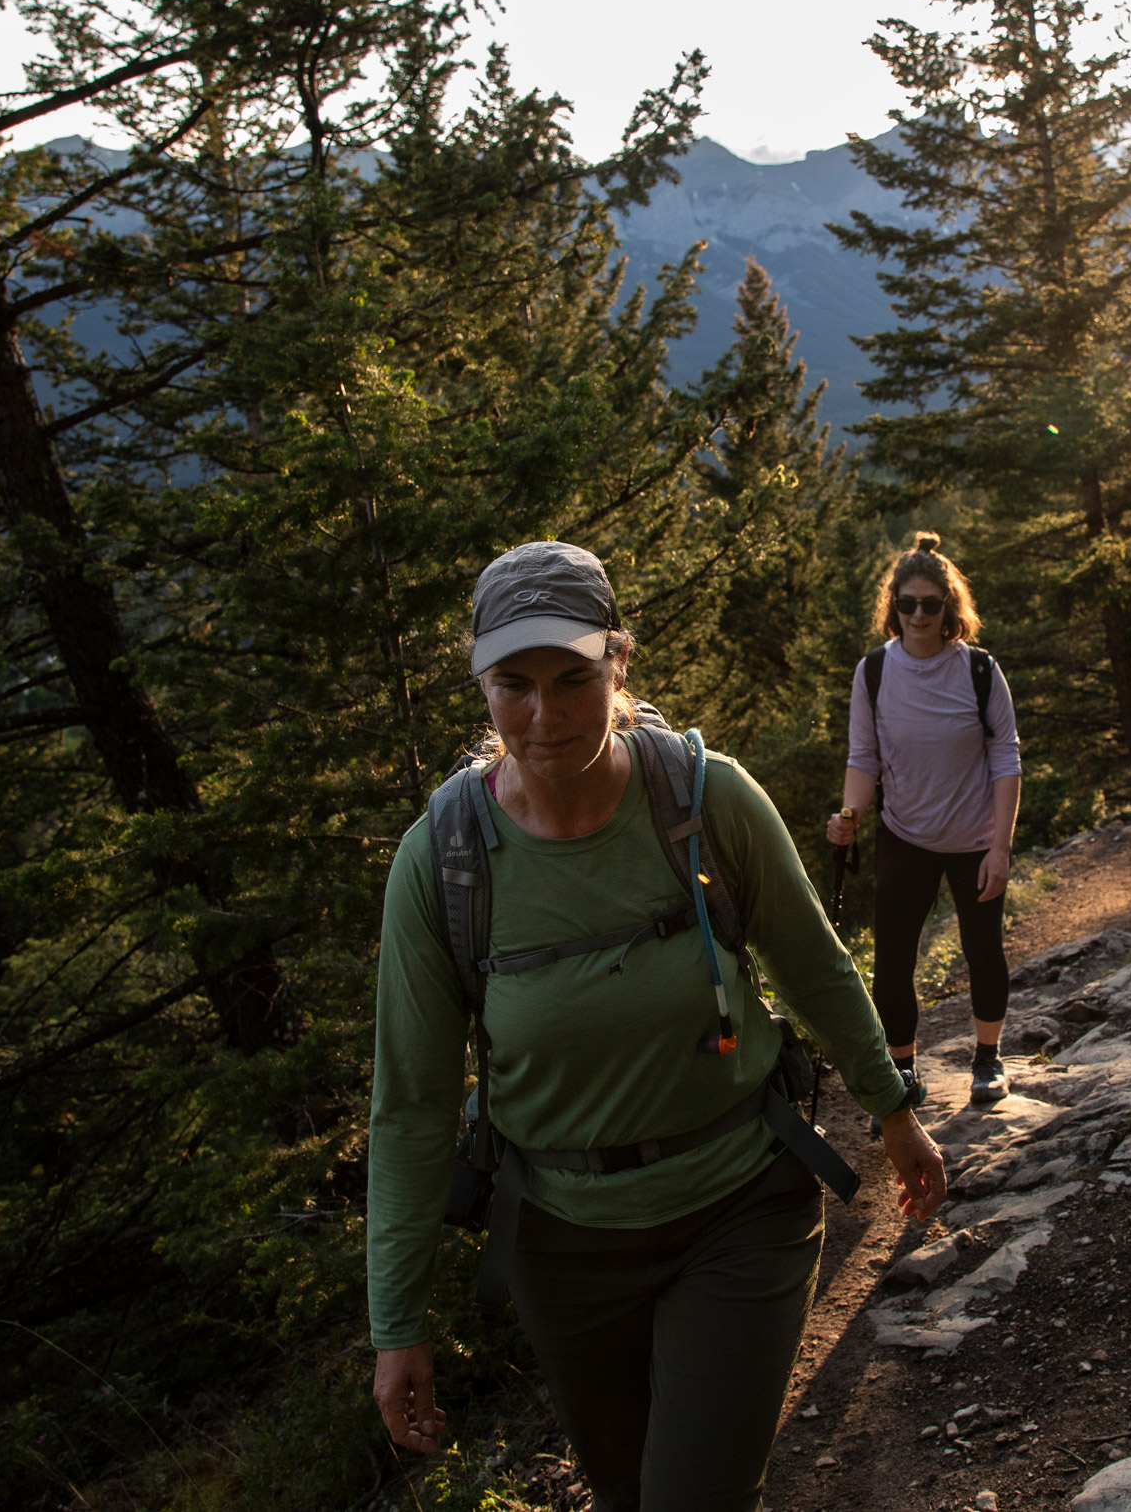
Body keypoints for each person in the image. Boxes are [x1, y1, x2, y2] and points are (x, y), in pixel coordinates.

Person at [368, 540, 947, 1512]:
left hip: (739, 1204)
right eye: (513, 683)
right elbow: (412, 1104)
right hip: (563, 1246)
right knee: (628, 1493)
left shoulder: (705, 798)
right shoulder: (445, 861)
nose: (543, 717)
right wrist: (397, 1321)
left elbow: (811, 962)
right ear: (478, 679)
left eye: (572, 678)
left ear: (620, 662)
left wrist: (893, 1110)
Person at [824, 533, 1023, 1110]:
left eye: (930, 604)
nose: (917, 615)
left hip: (975, 840)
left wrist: (1001, 848)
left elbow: (1006, 757)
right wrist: (849, 815)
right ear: (893, 606)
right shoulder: (874, 673)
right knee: (892, 962)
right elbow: (864, 756)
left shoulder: (981, 672)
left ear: (949, 609)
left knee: (983, 949)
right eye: (906, 603)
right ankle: (903, 1075)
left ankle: (988, 1059)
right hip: (904, 835)